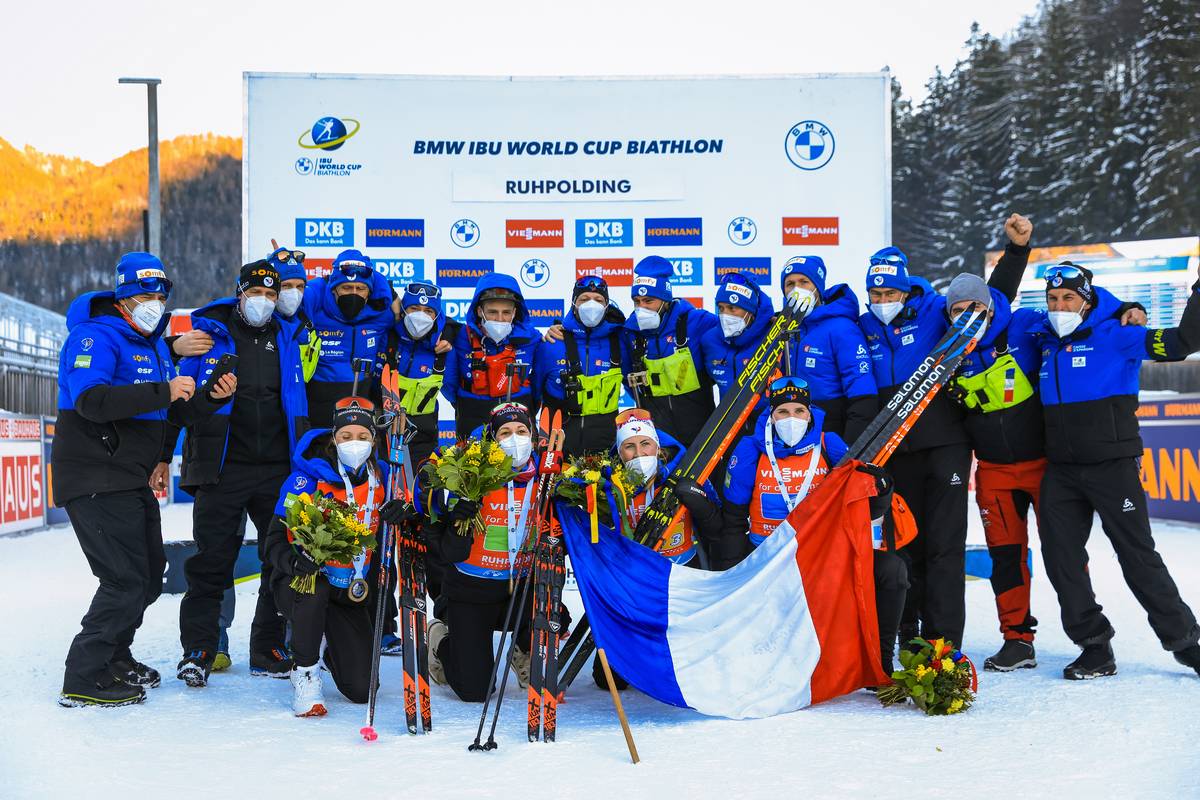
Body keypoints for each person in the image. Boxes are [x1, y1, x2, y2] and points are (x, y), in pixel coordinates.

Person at [55, 253, 232, 707]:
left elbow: (169, 411)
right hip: (94, 475)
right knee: (123, 580)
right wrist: (165, 389)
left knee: (151, 576)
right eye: (142, 295)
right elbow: (92, 401)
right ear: (121, 298)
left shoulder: (152, 347)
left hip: (128, 479)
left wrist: (210, 398)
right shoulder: (93, 337)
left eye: (159, 295)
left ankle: (116, 656)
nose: (153, 302)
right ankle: (83, 676)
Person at [858, 214, 1032, 651]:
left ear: (906, 288)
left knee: (945, 546)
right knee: (906, 544)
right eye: (875, 294)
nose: (883, 300)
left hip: (945, 445)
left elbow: (989, 301)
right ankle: (909, 633)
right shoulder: (864, 326)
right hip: (894, 450)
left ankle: (945, 642)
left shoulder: (937, 309)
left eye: (890, 292)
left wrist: (1016, 251)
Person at [1034, 261, 1200, 680]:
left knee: (1137, 557)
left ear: (1087, 302)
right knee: (1060, 559)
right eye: (1053, 299)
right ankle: (1094, 646)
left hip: (1112, 468)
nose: (1059, 306)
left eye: (1068, 298)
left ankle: (1186, 644)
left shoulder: (1117, 335)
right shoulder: (1044, 340)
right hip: (1062, 471)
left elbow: (1181, 343)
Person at [174, 260, 311, 686]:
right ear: (240, 293)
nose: (266, 301)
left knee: (279, 562)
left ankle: (266, 648)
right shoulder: (209, 334)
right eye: (258, 293)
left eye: (273, 294)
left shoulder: (289, 335)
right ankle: (200, 648)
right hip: (222, 468)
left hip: (277, 469)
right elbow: (179, 405)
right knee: (211, 561)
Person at [720, 376, 907, 675]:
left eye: (799, 412)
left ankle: (880, 663)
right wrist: (734, 576)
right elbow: (731, 521)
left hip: (822, 559)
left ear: (810, 414)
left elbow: (863, 504)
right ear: (771, 414)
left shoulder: (828, 444)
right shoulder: (750, 450)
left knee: (892, 571)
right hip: (771, 562)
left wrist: (883, 491)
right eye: (782, 412)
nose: (791, 419)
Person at [263, 397, 410, 715]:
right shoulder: (306, 480)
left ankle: (331, 649)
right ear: (334, 438)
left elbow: (413, 513)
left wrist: (403, 513)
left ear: (373, 441)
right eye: (346, 436)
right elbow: (273, 541)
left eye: (362, 437)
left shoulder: (384, 478)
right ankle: (304, 671)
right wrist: (294, 561)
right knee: (314, 588)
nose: (354, 444)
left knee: (362, 689)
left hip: (349, 592)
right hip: (302, 585)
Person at [586, 407, 722, 689]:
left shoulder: (684, 473)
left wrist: (699, 502)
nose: (638, 454)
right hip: (632, 585)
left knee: (687, 671)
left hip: (680, 577)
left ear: (658, 448)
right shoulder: (607, 485)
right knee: (610, 680)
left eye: (645, 444)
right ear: (619, 452)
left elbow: (716, 529)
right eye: (629, 447)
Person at [424, 403, 542, 701]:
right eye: (505, 432)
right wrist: (458, 518)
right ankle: (441, 640)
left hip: (521, 591)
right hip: (471, 590)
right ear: (492, 439)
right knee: (475, 691)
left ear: (533, 435)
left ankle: (522, 646)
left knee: (556, 615)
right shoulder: (470, 476)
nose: (514, 439)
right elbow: (449, 551)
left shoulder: (548, 477)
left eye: (521, 431)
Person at [376, 280, 457, 655]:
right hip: (380, 443)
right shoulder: (383, 336)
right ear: (400, 310)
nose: (419, 318)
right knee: (380, 530)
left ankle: (445, 614)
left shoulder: (446, 345)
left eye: (428, 312)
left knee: (429, 525)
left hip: (422, 445)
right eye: (413, 310)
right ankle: (383, 624)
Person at [620, 256, 718, 445]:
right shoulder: (629, 333)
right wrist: (562, 330)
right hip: (657, 435)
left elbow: (739, 330)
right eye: (637, 301)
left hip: (701, 430)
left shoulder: (697, 321)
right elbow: (625, 377)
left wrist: (771, 322)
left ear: (665, 300)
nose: (642, 308)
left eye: (649, 301)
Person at [778, 256, 878, 442]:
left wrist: (851, 446)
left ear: (817, 287)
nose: (796, 289)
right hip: (793, 426)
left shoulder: (841, 328)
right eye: (790, 284)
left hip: (832, 428)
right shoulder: (785, 328)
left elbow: (861, 390)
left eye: (804, 282)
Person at [534, 275, 627, 455]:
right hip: (557, 444)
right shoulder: (551, 344)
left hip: (606, 447)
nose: (591, 305)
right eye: (584, 299)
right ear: (574, 303)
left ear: (607, 306)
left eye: (598, 300)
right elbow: (533, 394)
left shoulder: (620, 342)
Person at [302, 249, 396, 427]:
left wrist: (446, 334)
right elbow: (289, 302)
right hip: (317, 405)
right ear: (334, 289)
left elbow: (419, 321)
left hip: (362, 403)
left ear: (369, 292)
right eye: (346, 287)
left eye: (360, 288)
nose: (353, 293)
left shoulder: (381, 314)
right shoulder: (317, 305)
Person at [443, 274, 540, 437]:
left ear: (515, 312)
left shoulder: (532, 338)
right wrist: (466, 403)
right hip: (472, 413)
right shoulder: (459, 337)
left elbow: (541, 382)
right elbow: (449, 383)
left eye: (506, 312)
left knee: (522, 462)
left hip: (520, 413)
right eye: (493, 312)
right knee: (470, 461)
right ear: (480, 311)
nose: (500, 319)